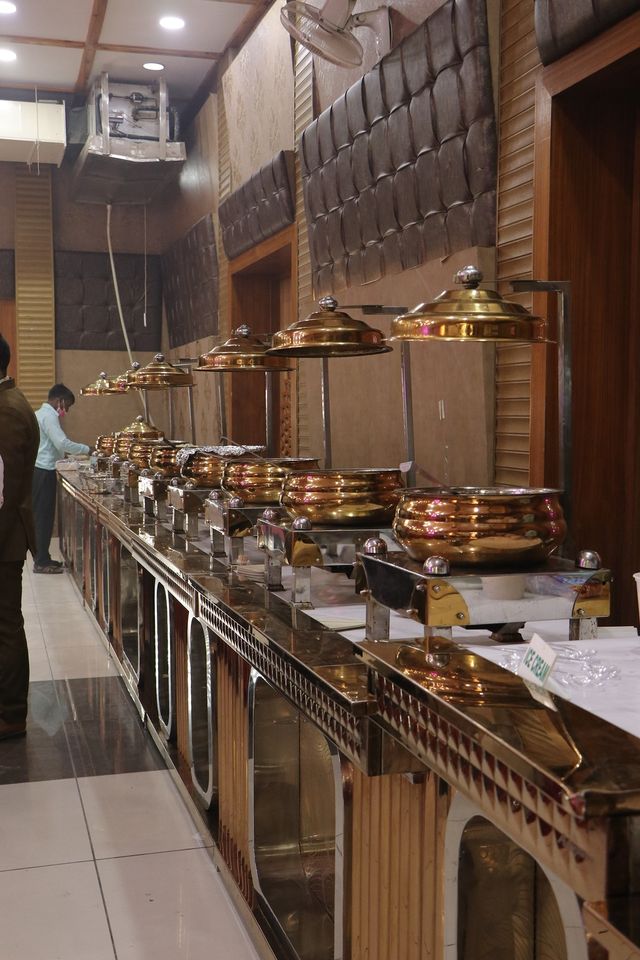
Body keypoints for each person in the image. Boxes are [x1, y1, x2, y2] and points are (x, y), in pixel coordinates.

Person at [0, 334, 40, 739]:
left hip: (4, 537)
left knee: (6, 626)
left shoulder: (7, 409)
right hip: (7, 534)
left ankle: (11, 713)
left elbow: (5, 489)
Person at [33, 383, 90, 573]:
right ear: (60, 401)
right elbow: (62, 443)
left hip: (40, 469)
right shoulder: (49, 416)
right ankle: (41, 561)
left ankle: (43, 557)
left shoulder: (41, 414)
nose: (67, 411)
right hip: (44, 471)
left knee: (42, 516)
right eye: (68, 406)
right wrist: (87, 449)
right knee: (43, 517)